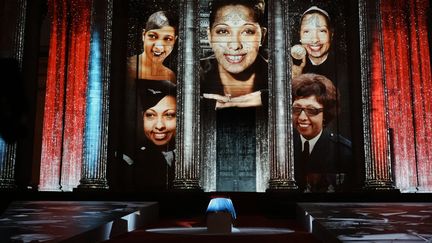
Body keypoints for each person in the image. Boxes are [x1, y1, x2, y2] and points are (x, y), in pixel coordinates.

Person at [201, 0, 268, 109]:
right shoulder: (193, 76)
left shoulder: (279, 79)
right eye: (223, 31)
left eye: (247, 31)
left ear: (263, 36)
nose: (235, 45)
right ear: (209, 36)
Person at [291, 73, 352, 192]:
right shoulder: (283, 146)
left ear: (326, 113)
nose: (302, 117)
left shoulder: (344, 152)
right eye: (297, 109)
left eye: (311, 110)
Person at [132, 80, 177, 191]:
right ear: (142, 117)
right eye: (150, 115)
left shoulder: (197, 155)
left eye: (169, 115)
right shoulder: (132, 160)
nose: (159, 126)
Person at [127, 11, 178, 83]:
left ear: (174, 40)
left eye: (168, 39)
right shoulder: (126, 67)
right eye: (153, 36)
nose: (159, 47)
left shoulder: (170, 76)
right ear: (143, 35)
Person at [291, 6, 334, 80]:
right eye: (307, 31)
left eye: (322, 31)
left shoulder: (345, 68)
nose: (315, 39)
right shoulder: (292, 66)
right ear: (300, 36)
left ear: (331, 34)